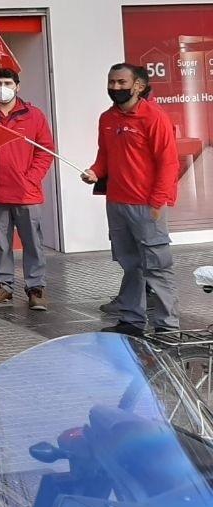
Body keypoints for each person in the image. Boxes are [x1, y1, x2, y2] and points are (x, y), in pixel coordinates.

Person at [82, 63, 179, 337]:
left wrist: (158, 203)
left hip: (147, 206)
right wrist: (94, 172)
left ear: (138, 86)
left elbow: (168, 164)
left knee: (157, 267)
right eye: (111, 82)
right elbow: (105, 157)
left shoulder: (154, 118)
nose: (115, 88)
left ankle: (167, 328)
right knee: (130, 265)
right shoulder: (107, 118)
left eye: (121, 82)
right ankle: (132, 321)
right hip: (116, 203)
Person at [0, 68, 54, 311]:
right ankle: (2, 285)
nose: (3, 87)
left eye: (8, 83)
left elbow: (45, 150)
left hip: (26, 193)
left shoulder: (34, 116)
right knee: (0, 242)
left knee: (32, 242)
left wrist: (31, 178)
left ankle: (36, 287)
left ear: (17, 86)